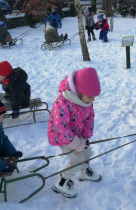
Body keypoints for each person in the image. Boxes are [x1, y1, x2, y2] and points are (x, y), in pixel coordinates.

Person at [48, 67, 102, 198]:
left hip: (78, 135)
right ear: (78, 92)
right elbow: (61, 126)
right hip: (63, 137)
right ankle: (61, 182)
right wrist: (76, 144)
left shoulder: (86, 101)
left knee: (87, 152)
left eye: (94, 96)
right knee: (77, 159)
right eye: (90, 96)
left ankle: (84, 172)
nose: (93, 100)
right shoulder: (63, 102)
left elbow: (90, 118)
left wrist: (85, 138)